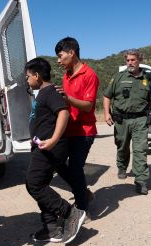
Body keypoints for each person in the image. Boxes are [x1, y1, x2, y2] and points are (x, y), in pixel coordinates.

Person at [25, 57, 86, 245]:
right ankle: (52, 228)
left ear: (37, 75)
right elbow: (43, 120)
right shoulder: (42, 93)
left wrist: (53, 139)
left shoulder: (50, 91)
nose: (27, 80)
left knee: (34, 183)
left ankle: (71, 213)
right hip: (41, 146)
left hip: (51, 147)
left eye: (28, 77)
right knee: (39, 184)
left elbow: (64, 112)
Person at [103, 49, 151, 195]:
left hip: (140, 119)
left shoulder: (147, 78)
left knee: (140, 149)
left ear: (139, 60)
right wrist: (106, 113)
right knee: (122, 146)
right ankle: (122, 166)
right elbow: (107, 96)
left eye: (133, 60)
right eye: (127, 60)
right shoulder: (119, 77)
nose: (130, 63)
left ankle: (141, 180)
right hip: (121, 119)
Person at [53, 37, 99, 214]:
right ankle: (83, 192)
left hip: (84, 131)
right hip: (68, 129)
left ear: (71, 53)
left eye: (60, 56)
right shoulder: (67, 75)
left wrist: (67, 98)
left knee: (75, 167)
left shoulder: (89, 75)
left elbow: (88, 106)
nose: (58, 60)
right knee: (57, 162)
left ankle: (81, 207)